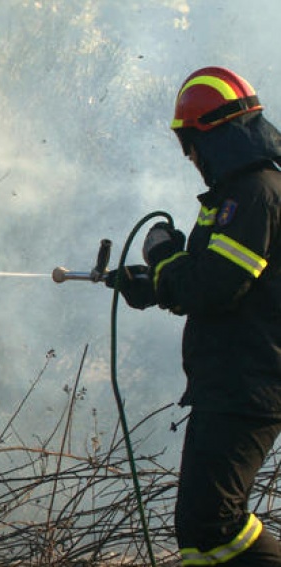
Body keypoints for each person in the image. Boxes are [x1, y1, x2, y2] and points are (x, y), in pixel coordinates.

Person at [109, 66, 281, 566]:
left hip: (248, 384)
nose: (191, 158)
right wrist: (152, 284)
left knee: (213, 528)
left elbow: (214, 288)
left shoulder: (254, 194)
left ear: (212, 136)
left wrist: (165, 259)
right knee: (204, 532)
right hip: (233, 380)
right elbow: (212, 279)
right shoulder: (240, 193)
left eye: (190, 145)